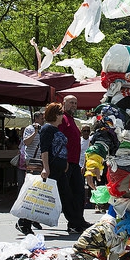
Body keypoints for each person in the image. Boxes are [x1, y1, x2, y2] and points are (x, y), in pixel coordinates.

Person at [40, 102, 86, 233]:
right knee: (44, 196)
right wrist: (45, 168)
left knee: (66, 196)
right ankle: (24, 221)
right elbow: (45, 150)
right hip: (52, 168)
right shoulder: (47, 129)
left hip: (61, 168)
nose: (62, 116)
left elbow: (61, 149)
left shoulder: (55, 129)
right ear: (55, 115)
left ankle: (75, 223)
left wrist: (65, 162)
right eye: (60, 113)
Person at [57, 95, 90, 233]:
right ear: (64, 103)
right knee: (67, 195)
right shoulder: (62, 119)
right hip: (67, 163)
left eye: (75, 103)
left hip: (75, 163)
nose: (74, 105)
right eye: (71, 102)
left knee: (79, 193)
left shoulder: (71, 119)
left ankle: (78, 220)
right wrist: (63, 161)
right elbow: (59, 141)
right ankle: (74, 222)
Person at [15, 112, 45, 235]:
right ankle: (24, 220)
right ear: (36, 118)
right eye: (42, 117)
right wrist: (35, 132)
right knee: (32, 191)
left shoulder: (44, 128)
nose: (43, 119)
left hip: (41, 161)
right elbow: (26, 142)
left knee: (38, 192)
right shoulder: (29, 129)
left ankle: (32, 219)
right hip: (32, 162)